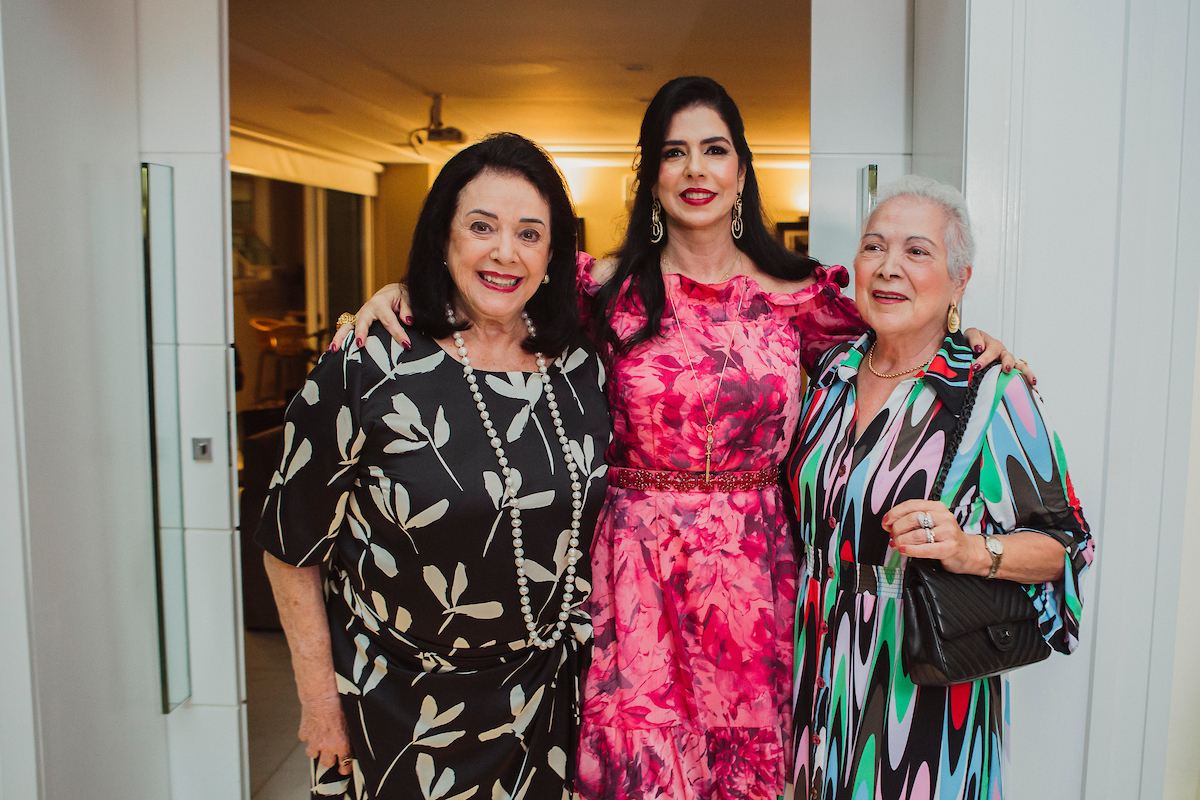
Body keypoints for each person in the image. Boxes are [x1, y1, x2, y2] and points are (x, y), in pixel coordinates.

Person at [338, 78, 1023, 800]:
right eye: (675, 153)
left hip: (755, 579)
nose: (696, 170)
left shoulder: (802, 295)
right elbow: (494, 283)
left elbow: (898, 337)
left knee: (749, 774)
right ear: (652, 175)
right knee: (642, 771)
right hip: (636, 576)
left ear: (741, 169)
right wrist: (403, 296)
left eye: (714, 150)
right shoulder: (601, 288)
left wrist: (966, 337)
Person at [257, 133, 611, 800]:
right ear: (443, 238)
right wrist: (319, 702)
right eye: (482, 227)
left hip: (545, 710)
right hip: (396, 713)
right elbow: (289, 545)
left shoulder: (579, 366)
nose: (505, 251)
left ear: (554, 253)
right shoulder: (366, 364)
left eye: (529, 233)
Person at [785, 175, 1094, 799]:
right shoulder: (827, 376)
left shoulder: (993, 392)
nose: (888, 267)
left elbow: (1067, 547)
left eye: (916, 251)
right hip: (814, 672)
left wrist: (970, 550)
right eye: (874, 247)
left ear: (961, 280)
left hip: (920, 691)